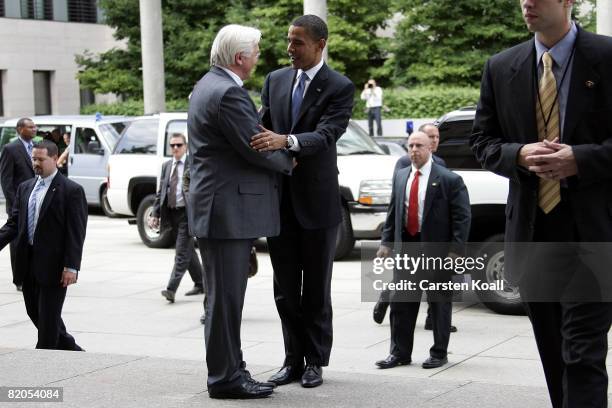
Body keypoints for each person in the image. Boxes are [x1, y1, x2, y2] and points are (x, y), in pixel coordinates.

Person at [470, 1, 612, 406]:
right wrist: (518, 154)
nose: (527, 3)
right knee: (554, 356)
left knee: (583, 355)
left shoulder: (606, 56)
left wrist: (579, 160)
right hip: (533, 234)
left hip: (595, 233)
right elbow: (483, 142)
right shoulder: (501, 66)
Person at [187, 24, 293, 400]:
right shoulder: (228, 92)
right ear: (239, 57)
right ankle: (226, 378)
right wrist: (290, 160)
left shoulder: (209, 84)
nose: (259, 57)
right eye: (256, 51)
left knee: (223, 300)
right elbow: (256, 145)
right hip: (225, 212)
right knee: (225, 301)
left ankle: (231, 369)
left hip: (218, 209)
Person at [251, 14, 354, 389]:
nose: (289, 48)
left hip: (318, 205)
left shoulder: (339, 86)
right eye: (288, 40)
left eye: (298, 42)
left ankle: (315, 361)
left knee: (315, 290)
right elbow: (260, 126)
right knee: (284, 290)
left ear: (319, 44)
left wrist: (288, 142)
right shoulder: (275, 80)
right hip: (280, 203)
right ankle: (291, 359)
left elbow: (327, 134)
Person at [374, 131, 470, 370]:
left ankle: (439, 353)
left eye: (419, 146)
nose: (414, 150)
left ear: (430, 149)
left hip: (437, 252)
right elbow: (393, 212)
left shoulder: (449, 179)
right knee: (401, 304)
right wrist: (386, 242)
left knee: (438, 304)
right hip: (407, 251)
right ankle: (399, 353)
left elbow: (462, 218)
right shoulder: (401, 176)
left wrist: (456, 250)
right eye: (410, 146)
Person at [0, 140, 87, 351]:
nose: (35, 163)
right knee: (36, 313)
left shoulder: (71, 190)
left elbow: (76, 233)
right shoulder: (25, 188)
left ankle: (42, 367)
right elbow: (14, 225)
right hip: (27, 264)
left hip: (55, 268)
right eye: (33, 158)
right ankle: (74, 351)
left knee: (48, 326)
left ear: (55, 159)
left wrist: (71, 266)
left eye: (41, 159)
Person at [149, 133, 205, 304]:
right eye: (172, 145)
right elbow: (161, 192)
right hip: (171, 214)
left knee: (181, 252)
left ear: (185, 147)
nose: (175, 148)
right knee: (187, 251)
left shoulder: (192, 164)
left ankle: (171, 289)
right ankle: (201, 282)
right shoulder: (167, 166)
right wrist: (154, 213)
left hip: (187, 215)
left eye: (178, 145)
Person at [0, 118, 36, 291]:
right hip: (18, 205)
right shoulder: (10, 149)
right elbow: (6, 181)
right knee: (16, 241)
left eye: (35, 126)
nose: (34, 129)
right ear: (20, 129)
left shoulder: (37, 148)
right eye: (30, 127)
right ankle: (19, 279)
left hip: (35, 202)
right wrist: (16, 205)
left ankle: (34, 273)